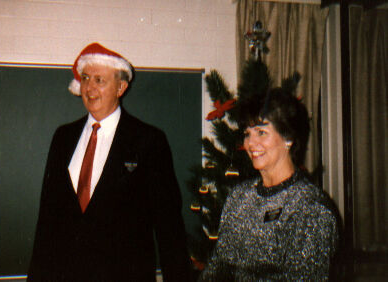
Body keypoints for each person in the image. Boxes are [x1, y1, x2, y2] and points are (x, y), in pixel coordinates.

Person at [28, 42, 190, 281]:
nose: (89, 88)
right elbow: (47, 221)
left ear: (121, 87)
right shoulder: (63, 137)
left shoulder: (149, 140)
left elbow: (170, 228)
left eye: (99, 80)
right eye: (85, 78)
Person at [199, 88, 339, 281]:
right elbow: (217, 269)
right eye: (247, 134)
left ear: (288, 138)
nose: (250, 143)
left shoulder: (311, 208)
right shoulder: (239, 196)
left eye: (261, 132)